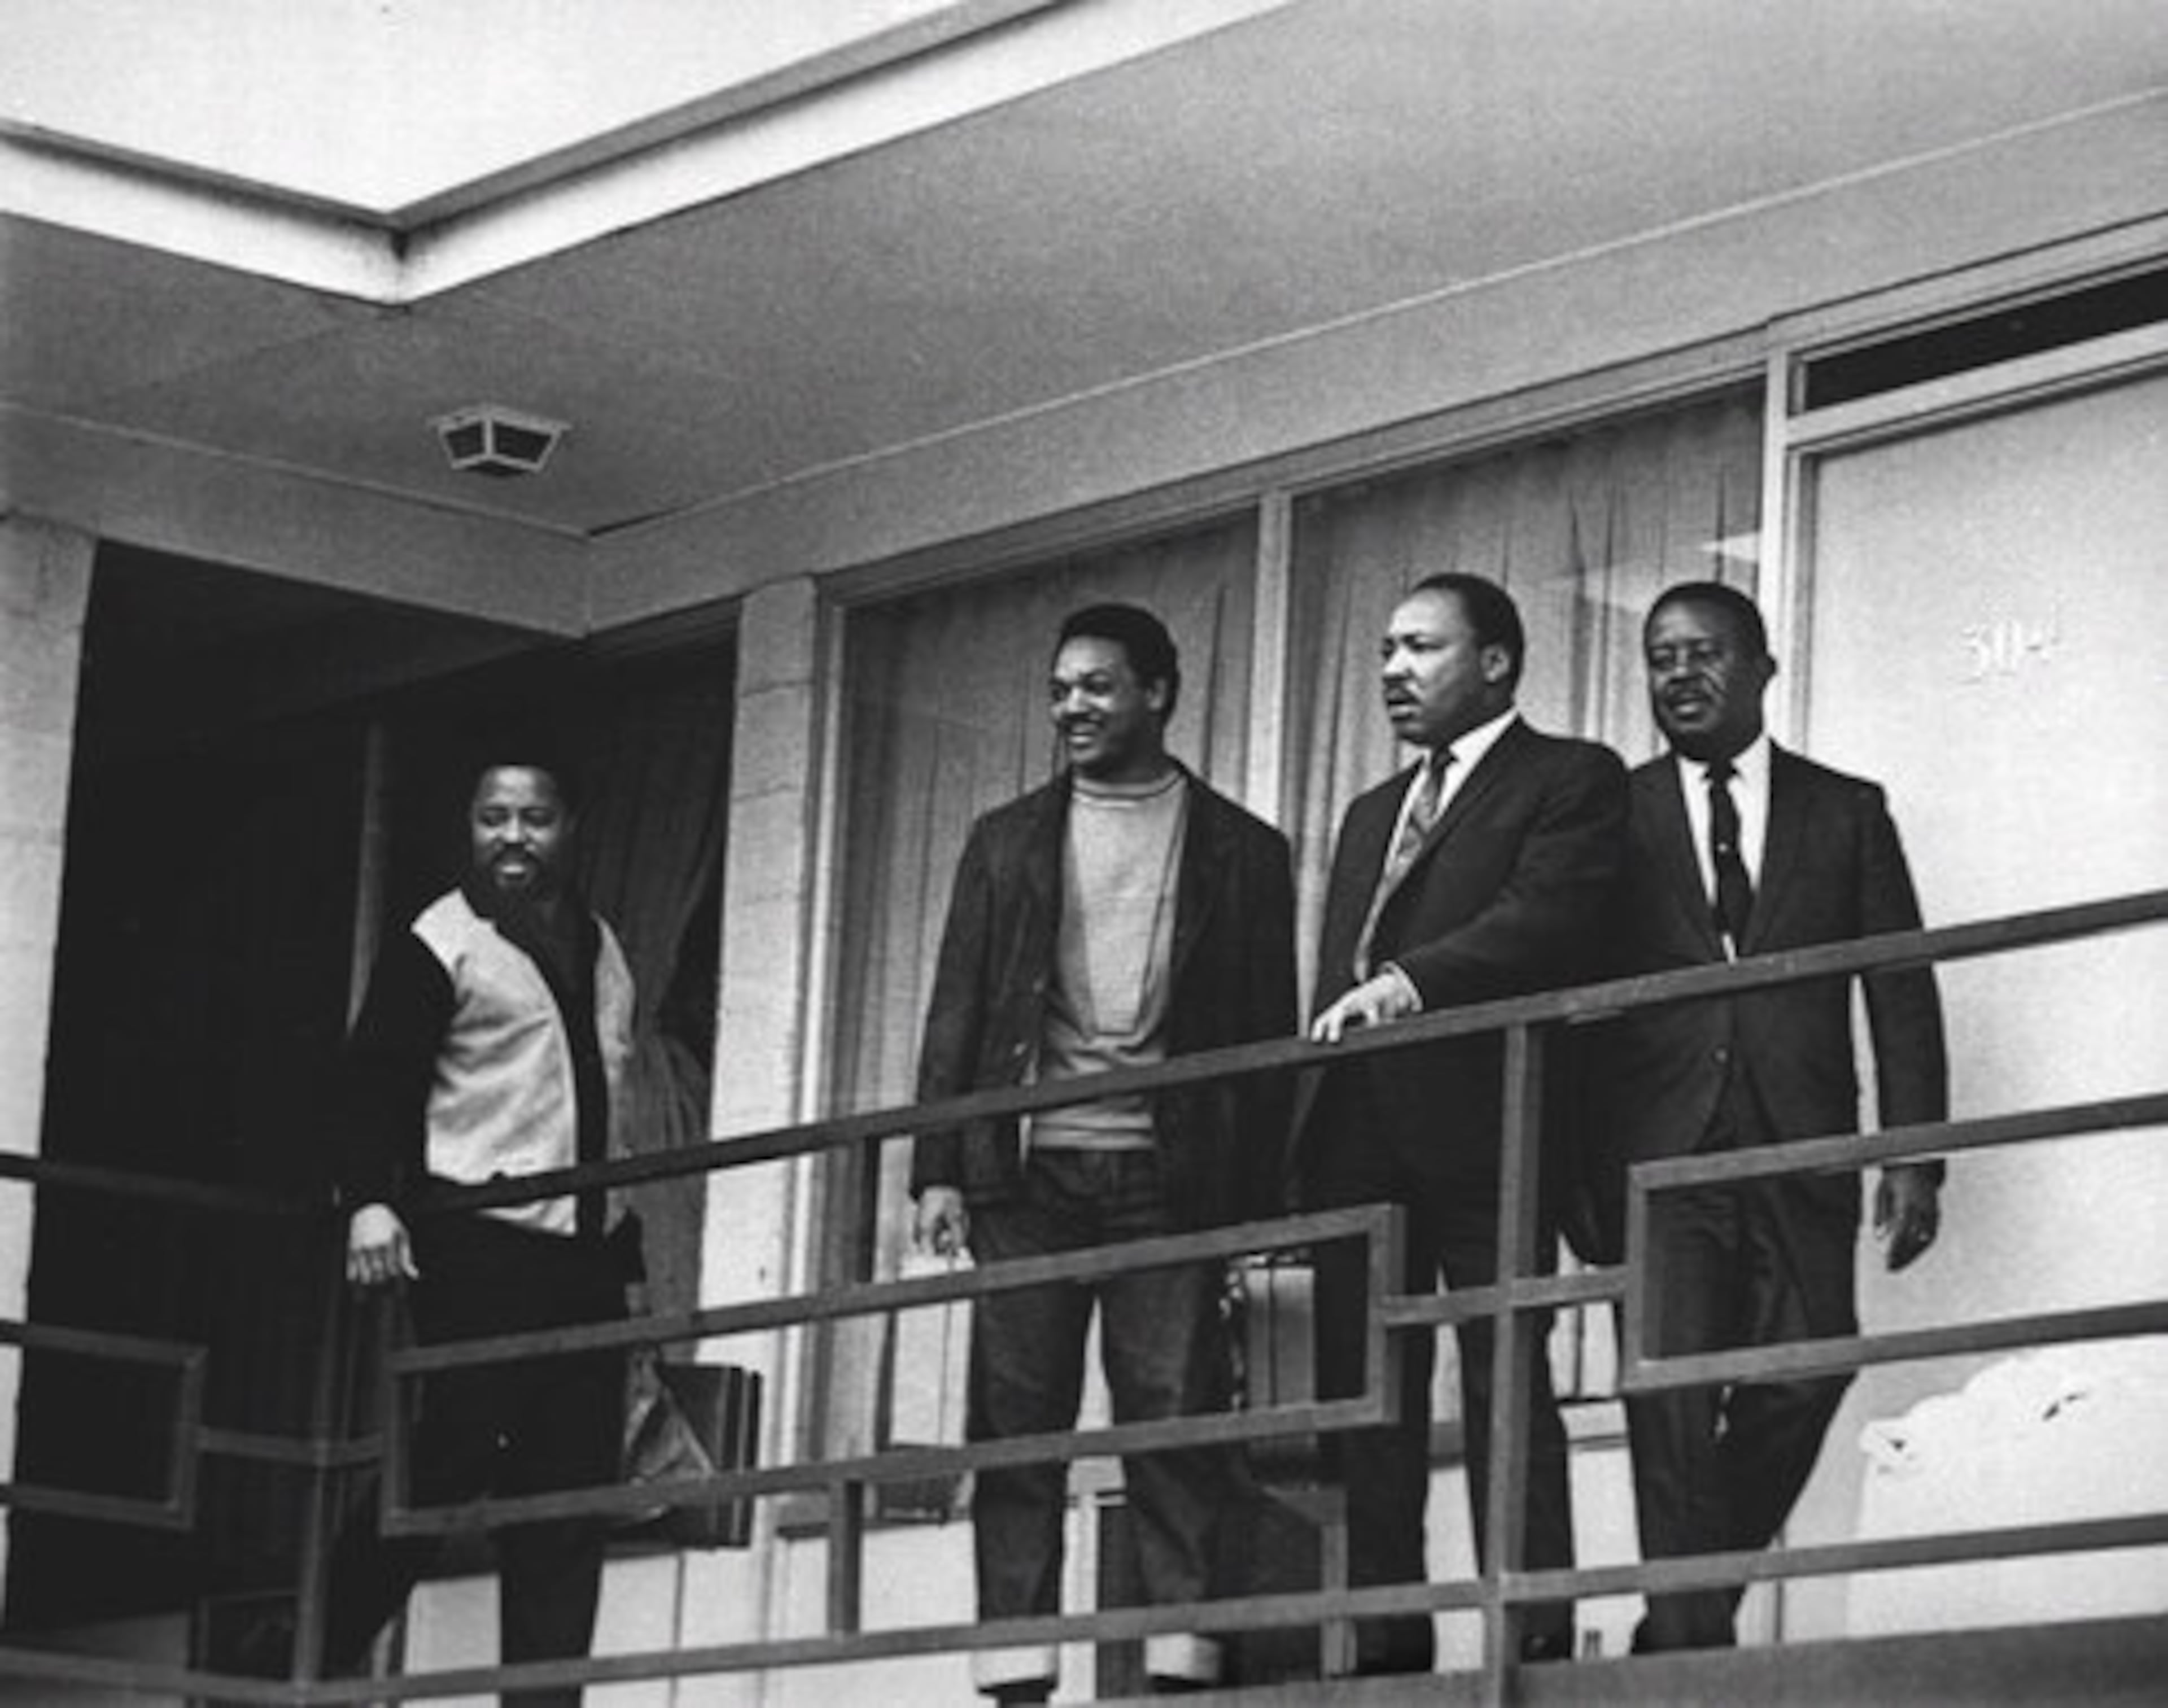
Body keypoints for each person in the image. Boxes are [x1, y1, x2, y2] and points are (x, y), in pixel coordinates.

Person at [910, 603, 1297, 1701]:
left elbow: (1266, 1039)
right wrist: (938, 1165)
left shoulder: (1244, 849)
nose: (1073, 707)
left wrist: (1257, 1206)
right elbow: (958, 1011)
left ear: (1159, 693)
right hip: (1026, 1180)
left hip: (1170, 1184)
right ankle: (1017, 1669)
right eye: (1059, 688)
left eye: (1098, 686)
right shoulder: (1003, 839)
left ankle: (1182, 1660)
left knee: (1174, 1420)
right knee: (1014, 1424)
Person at [1589, 580, 1948, 1653]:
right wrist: (1576, 1181)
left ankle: (1680, 1624)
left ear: (1761, 669)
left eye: (1703, 652)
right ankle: (1691, 1653)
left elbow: (1898, 983)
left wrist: (1914, 1154)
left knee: (1810, 1364)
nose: (1680, 674)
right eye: (1661, 657)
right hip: (1662, 1156)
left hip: (1802, 1137)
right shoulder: (1616, 813)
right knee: (1667, 1399)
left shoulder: (1847, 809)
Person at [1295, 571, 1627, 1674]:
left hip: (1496, 1126)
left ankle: (1527, 1638)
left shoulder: (1569, 777)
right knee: (1367, 1403)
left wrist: (1407, 984)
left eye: (1422, 648)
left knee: (1504, 1383)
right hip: (1357, 1138)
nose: (1393, 670)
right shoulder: (1366, 814)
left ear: (1495, 661)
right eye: (1386, 648)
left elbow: (1548, 920)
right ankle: (1386, 1645)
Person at [324, 755, 641, 1707]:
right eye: (493, 816)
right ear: (470, 825)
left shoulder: (603, 941)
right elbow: (374, 1077)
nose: (513, 836)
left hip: (586, 1258)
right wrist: (370, 1198)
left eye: (535, 817)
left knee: (567, 1500)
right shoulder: (440, 938)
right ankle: (298, 1660)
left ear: (570, 824)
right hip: (484, 1245)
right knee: (444, 1465)